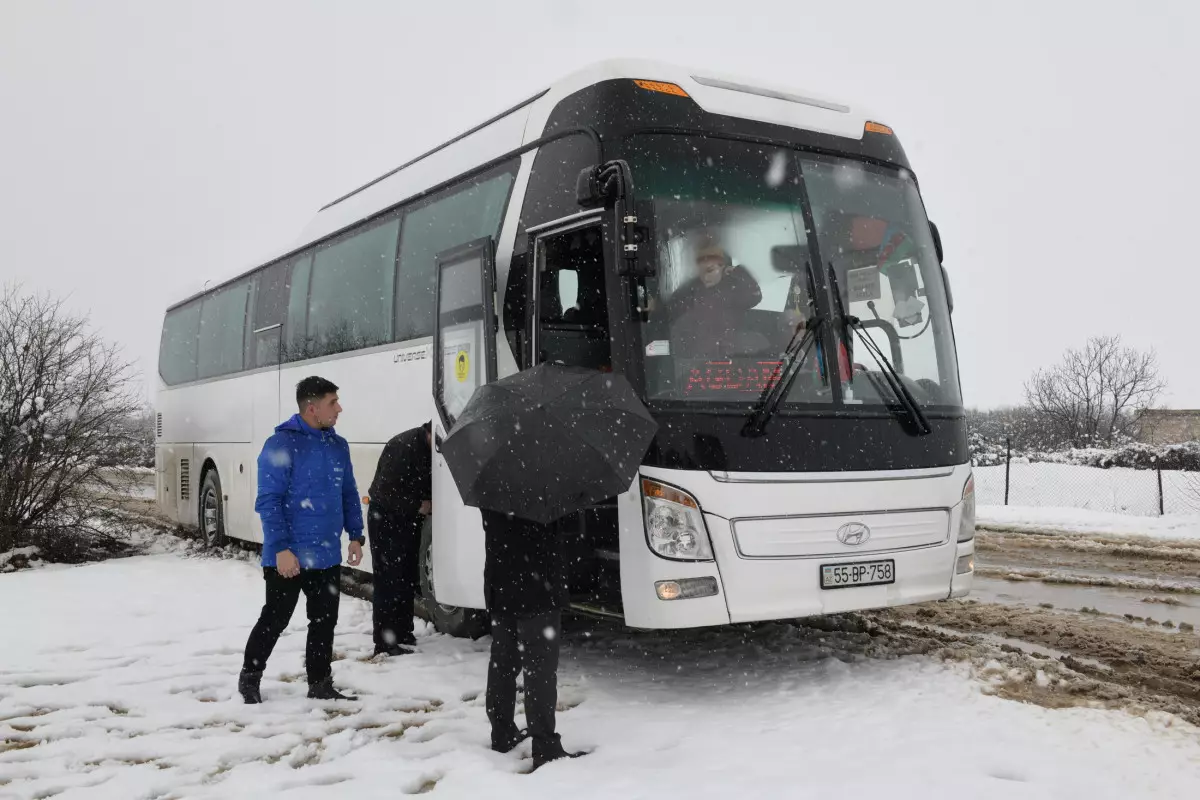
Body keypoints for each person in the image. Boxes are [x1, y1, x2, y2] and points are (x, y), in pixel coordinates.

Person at [238, 376, 365, 704]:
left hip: (325, 553)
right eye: (332, 403)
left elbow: (348, 492)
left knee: (324, 621)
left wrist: (356, 535)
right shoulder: (281, 444)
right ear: (312, 408)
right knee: (275, 618)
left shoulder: (338, 445)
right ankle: (250, 678)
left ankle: (320, 682)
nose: (339, 409)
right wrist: (280, 549)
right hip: (288, 554)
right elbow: (269, 501)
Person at [481, 509, 585, 770]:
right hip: (539, 587)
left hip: (500, 583)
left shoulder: (488, 477)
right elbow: (570, 525)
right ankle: (546, 746)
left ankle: (502, 732)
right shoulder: (547, 482)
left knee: (502, 661)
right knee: (540, 667)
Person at [366, 421, 433, 657]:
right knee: (388, 580)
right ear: (430, 433)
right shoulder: (404, 447)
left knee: (405, 576)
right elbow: (384, 493)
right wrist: (419, 505)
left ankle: (403, 632)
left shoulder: (426, 447)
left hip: (407, 519)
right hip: (385, 518)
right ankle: (384, 641)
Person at [662, 235, 763, 358]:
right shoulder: (687, 292)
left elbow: (754, 296)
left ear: (723, 267)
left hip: (728, 357)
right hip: (695, 360)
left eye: (710, 270)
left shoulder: (733, 290)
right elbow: (668, 318)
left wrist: (737, 271)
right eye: (700, 270)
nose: (705, 276)